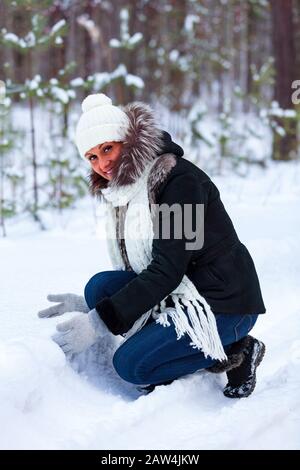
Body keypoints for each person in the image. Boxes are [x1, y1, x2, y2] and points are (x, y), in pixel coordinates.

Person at [38, 93, 266, 399]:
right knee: (99, 289)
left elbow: (166, 271)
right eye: (92, 157)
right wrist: (96, 307)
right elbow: (146, 270)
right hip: (184, 288)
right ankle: (163, 338)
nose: (102, 163)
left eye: (108, 148)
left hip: (224, 301)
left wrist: (99, 320)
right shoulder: (126, 188)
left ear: (128, 140)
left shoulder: (178, 182)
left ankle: (237, 348)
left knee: (132, 367)